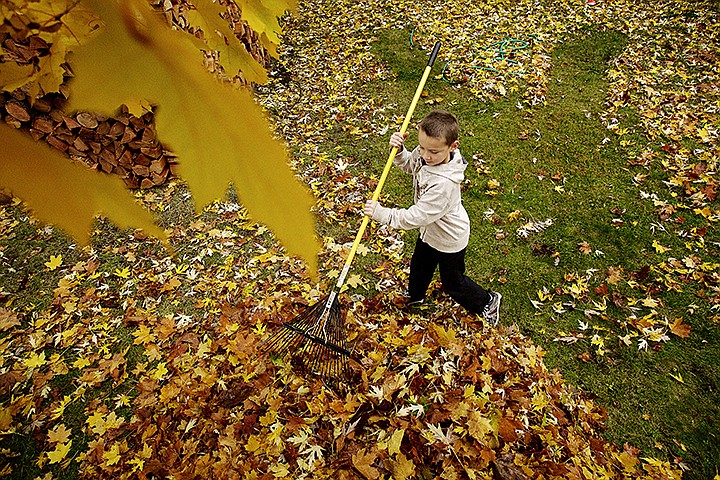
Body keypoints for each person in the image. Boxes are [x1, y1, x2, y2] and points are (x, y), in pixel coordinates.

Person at [364, 110, 501, 325]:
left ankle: (487, 302)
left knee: (452, 282)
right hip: (430, 232)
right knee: (419, 267)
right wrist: (400, 151)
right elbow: (411, 165)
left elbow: (415, 217)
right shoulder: (428, 153)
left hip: (449, 238)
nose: (426, 156)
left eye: (434, 152)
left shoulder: (443, 185)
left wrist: (382, 213)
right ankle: (415, 297)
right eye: (422, 148)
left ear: (452, 146)